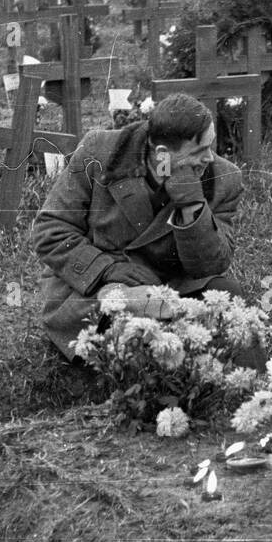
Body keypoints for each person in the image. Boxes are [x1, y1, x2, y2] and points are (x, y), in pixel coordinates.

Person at [32, 92, 256, 365]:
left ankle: (256, 392)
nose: (208, 159)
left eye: (210, 147)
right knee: (138, 340)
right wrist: (107, 270)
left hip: (174, 285)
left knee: (229, 299)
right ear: (162, 154)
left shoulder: (224, 178)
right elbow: (51, 229)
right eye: (198, 151)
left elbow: (211, 265)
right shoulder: (99, 153)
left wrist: (192, 207)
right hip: (95, 285)